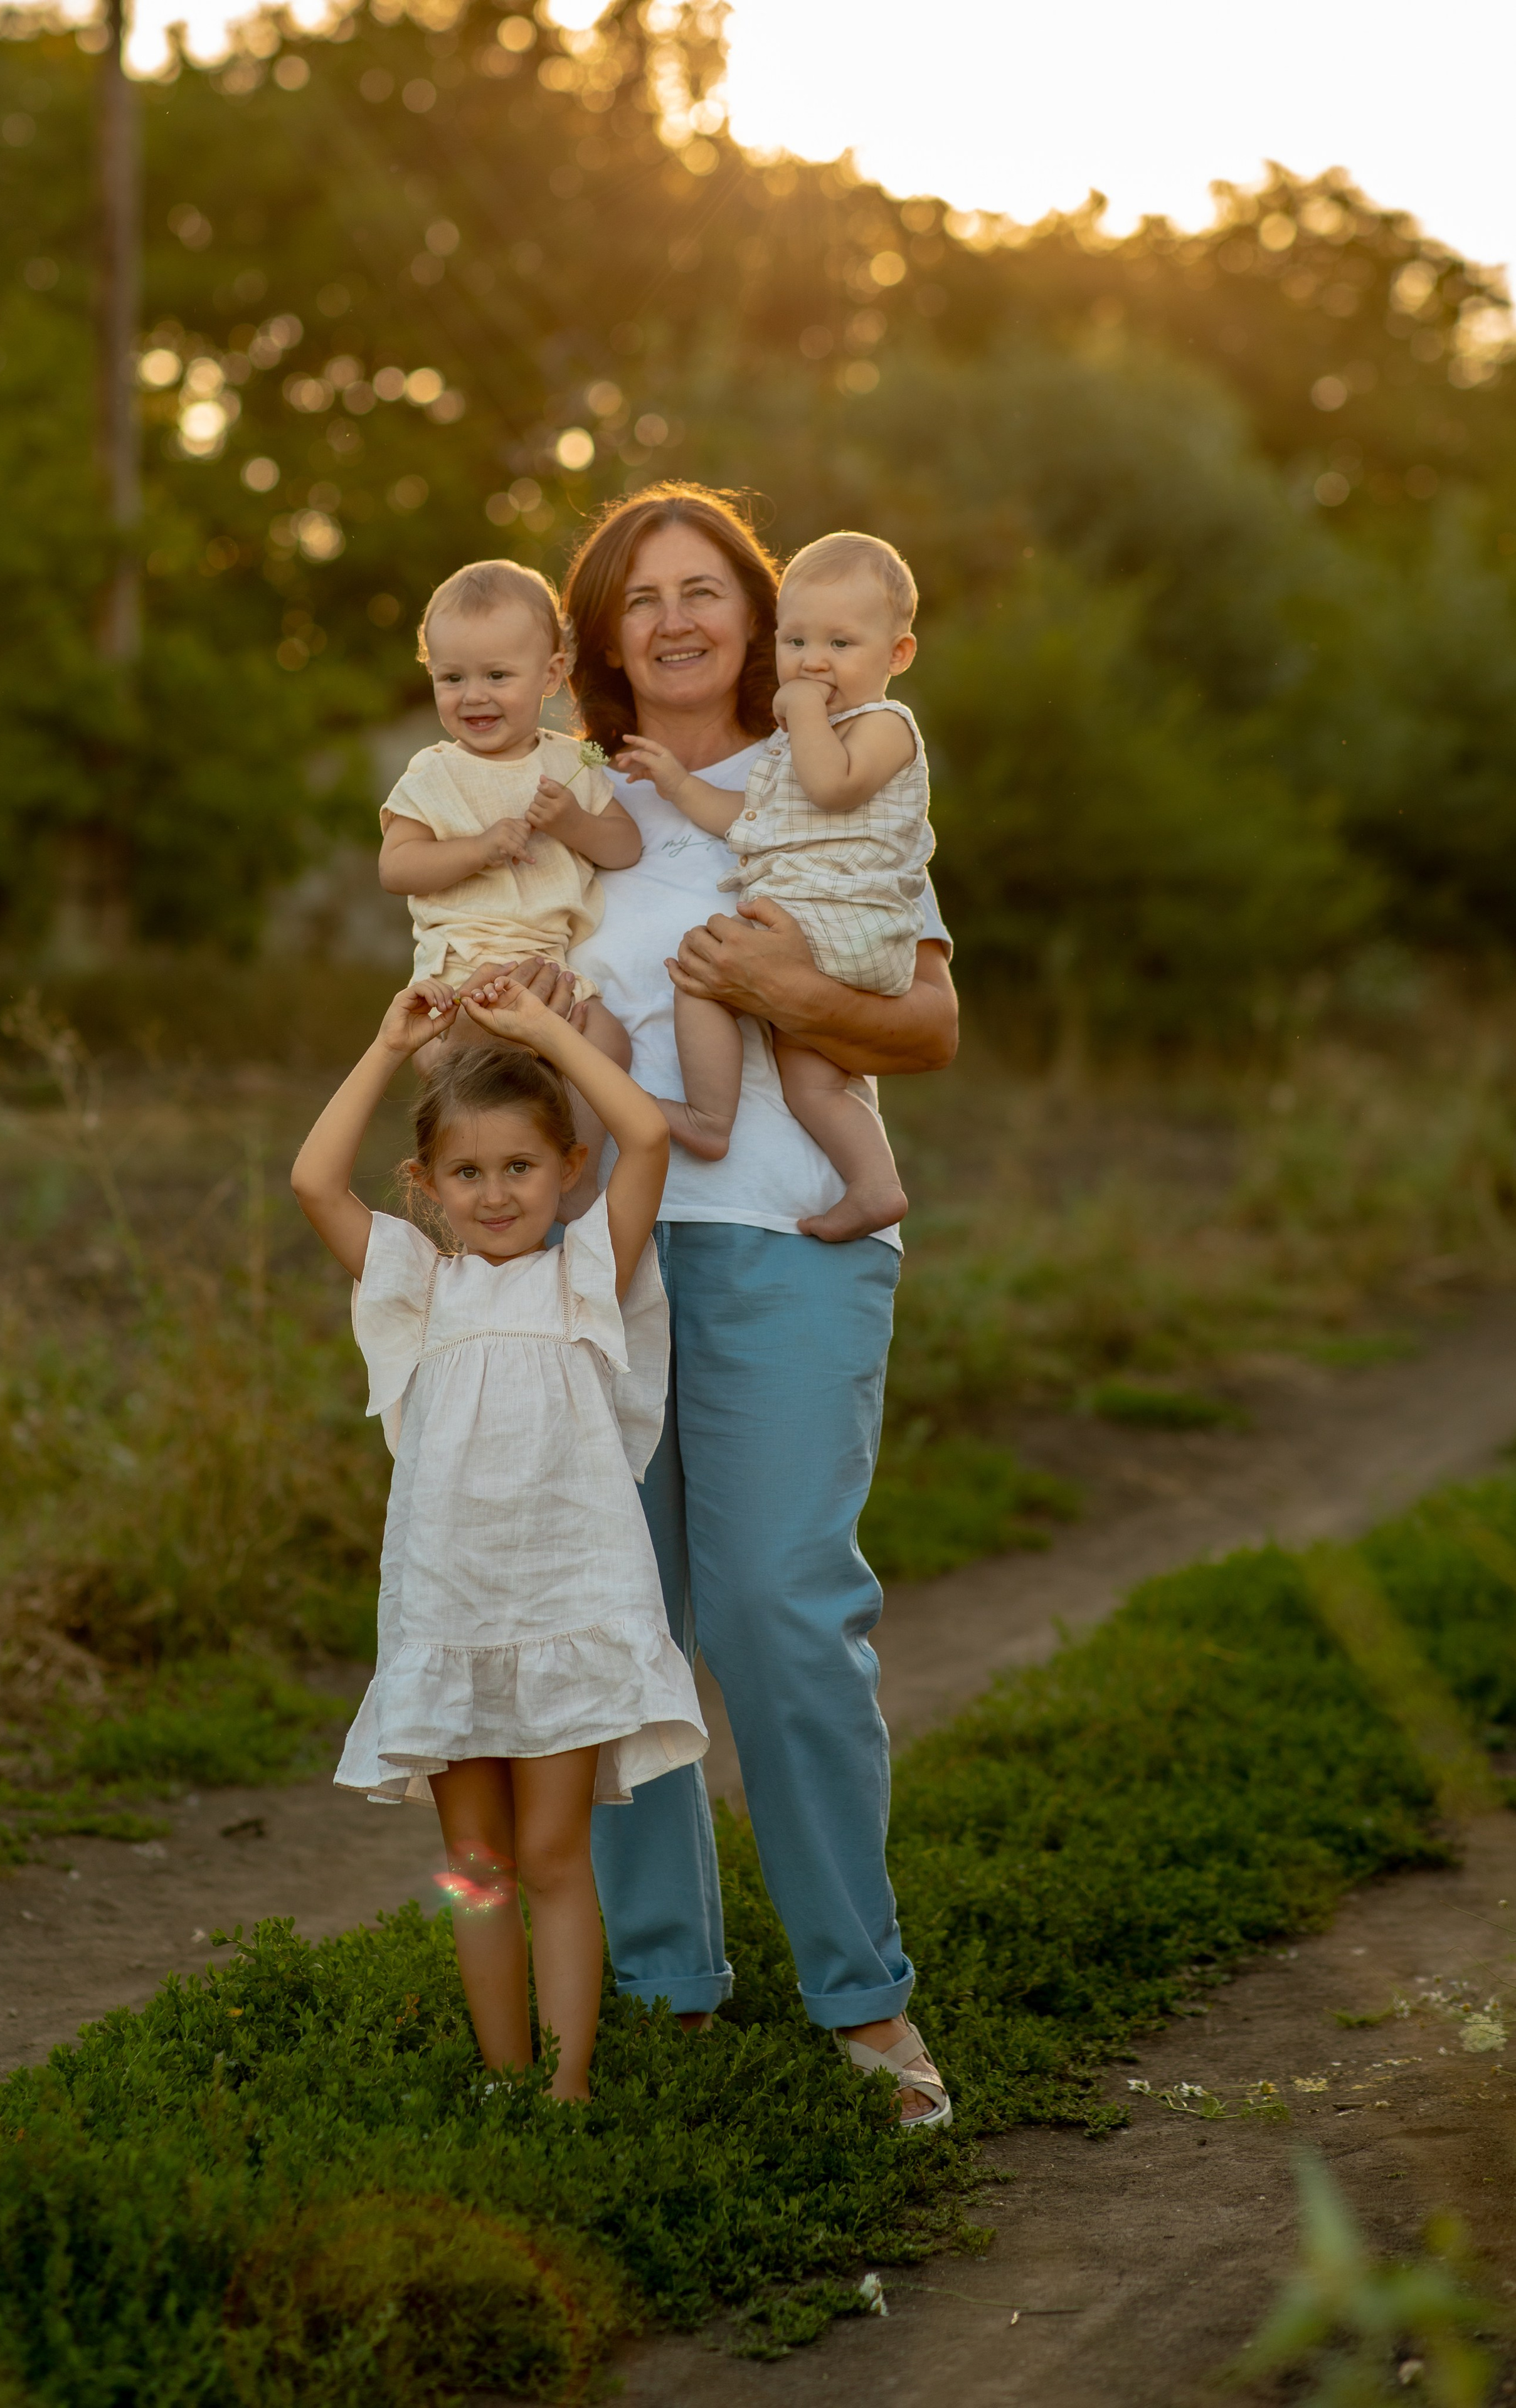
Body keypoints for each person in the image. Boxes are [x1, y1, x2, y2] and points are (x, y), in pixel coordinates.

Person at [559, 482, 960, 2128]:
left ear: (758, 611)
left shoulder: (834, 774)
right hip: (603, 1256)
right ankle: (663, 1989)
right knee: (619, 1627)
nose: (674, 617)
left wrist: (773, 987)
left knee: (782, 1614)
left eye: (705, 587)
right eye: (640, 595)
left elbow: (924, 1023)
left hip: (790, 1238)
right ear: (603, 636)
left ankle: (863, 2000)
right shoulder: (571, 809)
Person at [289, 971, 706, 2103]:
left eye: (520, 1166)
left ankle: (568, 2093)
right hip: (452, 1612)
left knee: (558, 1857)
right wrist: (386, 1048)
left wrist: (538, 1037)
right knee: (476, 1865)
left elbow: (648, 1134)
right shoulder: (419, 1289)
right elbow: (314, 1180)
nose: (495, 1192)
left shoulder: (586, 1275)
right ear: (426, 1188)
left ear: (568, 1171)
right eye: (466, 1174)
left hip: (566, 1608)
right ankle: (504, 2081)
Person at [615, 529, 932, 1245]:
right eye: (797, 643)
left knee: (702, 969)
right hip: (825, 935)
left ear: (898, 655)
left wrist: (804, 712)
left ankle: (706, 1118)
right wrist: (677, 785)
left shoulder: (886, 728)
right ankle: (875, 1183)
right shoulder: (795, 746)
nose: (813, 662)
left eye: (841, 645)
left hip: (846, 926)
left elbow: (829, 787)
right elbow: (749, 821)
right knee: (812, 1080)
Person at [376, 558, 643, 1186]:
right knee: (474, 1077)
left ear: (550, 674)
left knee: (610, 1044)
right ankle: (479, 1191)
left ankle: (572, 1187)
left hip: (551, 970)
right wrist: (476, 848)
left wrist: (574, 823)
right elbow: (397, 866)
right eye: (452, 677)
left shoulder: (573, 765)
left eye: (497, 675)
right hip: (466, 971)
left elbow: (625, 846)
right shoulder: (433, 774)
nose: (473, 696)